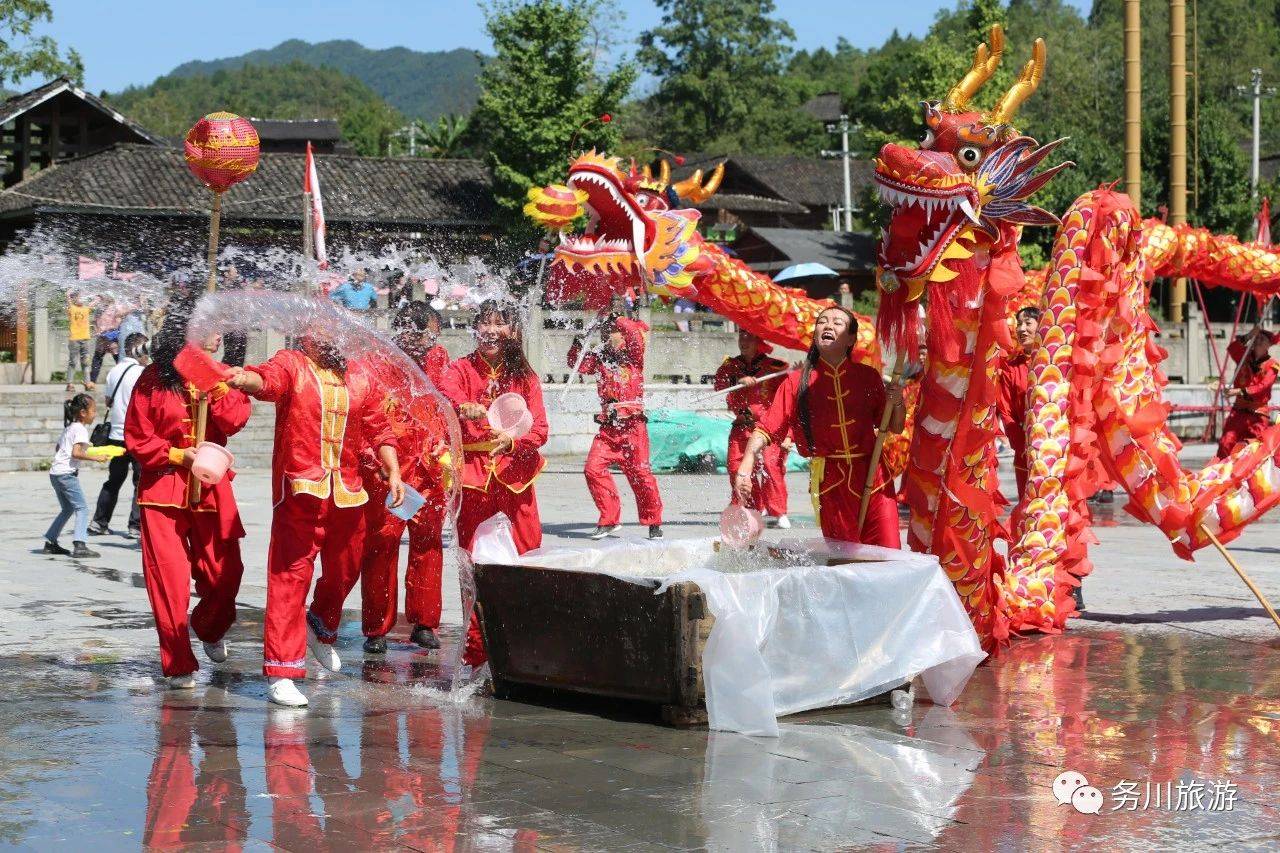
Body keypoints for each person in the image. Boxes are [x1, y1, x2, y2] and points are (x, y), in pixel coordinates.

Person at [227, 331, 403, 708]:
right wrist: (246, 379)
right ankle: (283, 671)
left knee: (347, 568)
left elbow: (379, 427)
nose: (331, 336)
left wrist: (393, 469)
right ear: (307, 334)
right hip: (301, 491)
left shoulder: (360, 374)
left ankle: (320, 622)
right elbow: (268, 380)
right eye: (321, 328)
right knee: (291, 576)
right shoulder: (293, 364)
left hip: (348, 491)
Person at [126, 323, 251, 689]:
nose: (218, 335)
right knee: (168, 579)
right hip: (163, 487)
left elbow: (235, 420)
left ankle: (209, 626)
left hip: (212, 485)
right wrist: (178, 454)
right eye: (210, 328)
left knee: (225, 575)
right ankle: (178, 661)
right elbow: (137, 436)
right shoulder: (151, 379)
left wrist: (213, 386)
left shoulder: (220, 375)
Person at [735, 307, 905, 546]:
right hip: (832, 483)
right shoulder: (796, 382)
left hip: (874, 476)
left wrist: (897, 402)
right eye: (822, 322)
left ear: (851, 338)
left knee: (889, 552)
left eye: (837, 323)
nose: (827, 326)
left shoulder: (868, 377)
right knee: (844, 558)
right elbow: (766, 428)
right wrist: (747, 461)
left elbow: (894, 426)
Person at [438, 300, 548, 667]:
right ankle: (477, 655)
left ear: (513, 332)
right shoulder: (460, 368)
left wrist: (512, 441)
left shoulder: (525, 377)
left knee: (526, 559)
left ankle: (524, 651)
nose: (492, 329)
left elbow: (541, 431)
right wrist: (461, 405)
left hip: (515, 481)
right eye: (485, 322)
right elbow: (445, 393)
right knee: (474, 569)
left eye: (500, 323)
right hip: (472, 480)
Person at [359, 302, 452, 655]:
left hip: (430, 470)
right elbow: (367, 420)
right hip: (391, 471)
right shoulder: (377, 365)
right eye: (423, 333)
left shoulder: (439, 362)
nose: (427, 341)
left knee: (428, 544)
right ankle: (376, 627)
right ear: (404, 331)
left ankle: (425, 622)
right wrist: (375, 461)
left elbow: (448, 407)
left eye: (431, 334)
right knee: (381, 546)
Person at [569, 314, 664, 539]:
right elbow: (578, 364)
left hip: (633, 429)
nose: (606, 335)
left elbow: (634, 336)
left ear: (622, 335)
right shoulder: (601, 358)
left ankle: (654, 522)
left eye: (611, 331)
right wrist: (579, 340)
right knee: (592, 469)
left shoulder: (634, 356)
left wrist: (616, 317)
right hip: (609, 430)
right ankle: (609, 519)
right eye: (605, 331)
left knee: (641, 475)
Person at [714, 329, 791, 528]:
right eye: (741, 337)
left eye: (749, 337)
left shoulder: (773, 367)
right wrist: (737, 381)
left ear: (758, 341)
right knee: (735, 467)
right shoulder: (731, 366)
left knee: (770, 467)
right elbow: (719, 385)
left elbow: (788, 396)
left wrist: (788, 434)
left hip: (765, 429)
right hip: (740, 427)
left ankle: (779, 511)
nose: (744, 341)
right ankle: (751, 506)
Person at [89, 332, 148, 538]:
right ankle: (135, 527)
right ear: (137, 349)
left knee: (113, 481)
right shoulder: (142, 373)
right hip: (137, 436)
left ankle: (99, 522)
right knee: (140, 483)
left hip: (116, 435)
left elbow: (108, 401)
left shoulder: (114, 371)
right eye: (145, 349)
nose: (147, 354)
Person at [44, 393, 102, 558]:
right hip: (66, 475)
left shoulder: (70, 427)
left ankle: (50, 542)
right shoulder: (81, 429)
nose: (95, 414)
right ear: (83, 412)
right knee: (82, 508)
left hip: (55, 473)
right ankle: (80, 545)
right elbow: (76, 453)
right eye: (93, 410)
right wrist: (95, 457)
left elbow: (59, 448)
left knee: (67, 509)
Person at [1216, 325, 1280, 459]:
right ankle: (1223, 476)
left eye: (1262, 339)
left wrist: (1238, 391)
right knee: (1225, 444)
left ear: (1268, 345)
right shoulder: (1244, 356)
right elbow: (1232, 348)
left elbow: (1262, 387)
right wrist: (1250, 334)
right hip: (1238, 412)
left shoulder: (1272, 365)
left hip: (1257, 415)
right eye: (1256, 338)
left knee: (1257, 450)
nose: (1257, 341)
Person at [997, 307, 1039, 501]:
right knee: (1027, 503)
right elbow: (1005, 410)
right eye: (1019, 324)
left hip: (1054, 448)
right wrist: (1021, 443)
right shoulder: (1011, 368)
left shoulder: (1057, 361)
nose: (1022, 329)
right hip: (1024, 449)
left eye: (1028, 323)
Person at [90, 294, 124, 384]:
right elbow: (95, 321)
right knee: (99, 358)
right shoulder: (103, 308)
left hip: (110, 335)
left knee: (102, 358)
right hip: (106, 335)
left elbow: (119, 318)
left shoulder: (112, 307)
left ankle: (92, 381)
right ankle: (92, 381)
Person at [220, 266, 249, 367]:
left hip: (240, 325)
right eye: (233, 270)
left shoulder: (237, 286)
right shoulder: (225, 287)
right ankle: (223, 375)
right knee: (231, 354)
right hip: (230, 326)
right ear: (226, 274)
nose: (236, 272)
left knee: (240, 354)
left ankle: (235, 374)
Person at [66, 291, 94, 391]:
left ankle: (87, 382)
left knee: (86, 362)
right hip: (74, 339)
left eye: (83, 297)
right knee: (73, 361)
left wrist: (98, 297)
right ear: (74, 299)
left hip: (86, 339)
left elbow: (94, 303)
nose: (82, 299)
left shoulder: (86, 309)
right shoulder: (72, 308)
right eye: (79, 297)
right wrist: (67, 294)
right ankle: (69, 383)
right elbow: (68, 302)